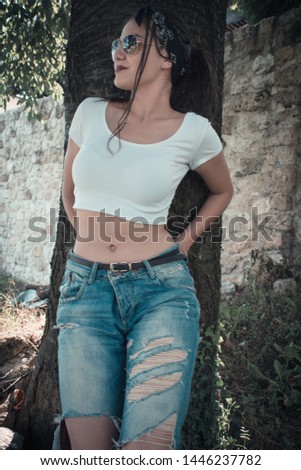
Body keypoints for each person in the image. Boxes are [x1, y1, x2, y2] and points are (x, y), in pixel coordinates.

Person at [54, 5, 233, 451]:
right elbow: (69, 194)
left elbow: (222, 191)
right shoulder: (90, 114)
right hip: (84, 295)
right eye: (117, 43)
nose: (118, 51)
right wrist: (92, 247)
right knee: (89, 453)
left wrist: (184, 244)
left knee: (146, 454)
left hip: (161, 294)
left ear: (167, 56)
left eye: (130, 41)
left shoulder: (194, 131)